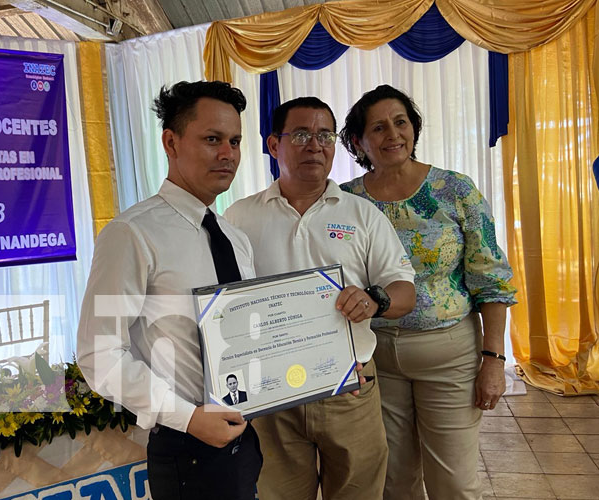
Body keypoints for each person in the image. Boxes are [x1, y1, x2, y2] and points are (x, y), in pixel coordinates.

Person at [77, 80, 262, 500]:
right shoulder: (131, 233)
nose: (228, 153)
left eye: (234, 140)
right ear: (171, 141)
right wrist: (189, 418)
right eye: (212, 139)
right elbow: (98, 356)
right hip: (186, 447)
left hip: (244, 438)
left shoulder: (235, 238)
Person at [225, 96, 417, 500]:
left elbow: (404, 289)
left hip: (348, 386)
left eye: (324, 135)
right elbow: (225, 305)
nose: (315, 144)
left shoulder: (363, 216)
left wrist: (374, 300)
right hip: (272, 395)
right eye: (300, 134)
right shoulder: (239, 217)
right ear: (274, 145)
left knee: (358, 492)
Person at [338, 84, 517, 500]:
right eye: (377, 127)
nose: (392, 135)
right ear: (358, 141)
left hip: (449, 355)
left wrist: (493, 360)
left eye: (400, 122)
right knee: (393, 481)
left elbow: (491, 279)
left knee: (453, 483)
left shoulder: (455, 190)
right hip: (373, 357)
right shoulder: (346, 202)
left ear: (414, 129)